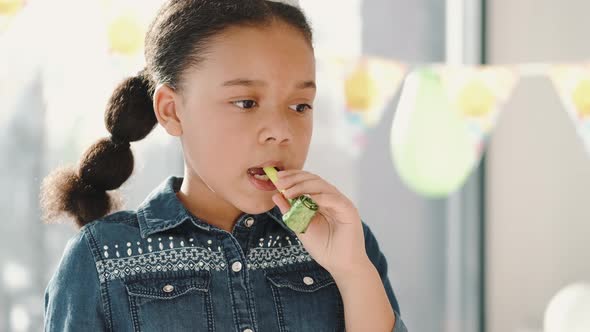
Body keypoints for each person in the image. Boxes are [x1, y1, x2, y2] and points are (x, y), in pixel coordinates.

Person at [41, 0, 407, 331]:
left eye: (300, 106)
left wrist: (353, 271)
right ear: (172, 110)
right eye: (246, 102)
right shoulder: (101, 258)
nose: (280, 132)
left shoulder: (346, 242)